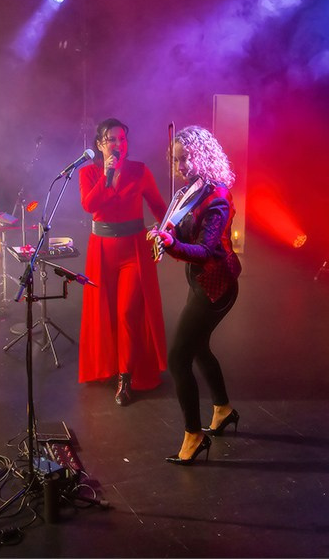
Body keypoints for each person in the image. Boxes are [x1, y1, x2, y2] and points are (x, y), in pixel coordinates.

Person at [147, 125, 242, 465]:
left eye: (184, 159)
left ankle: (193, 435)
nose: (179, 167)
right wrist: (163, 231)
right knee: (198, 347)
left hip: (216, 285)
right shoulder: (193, 190)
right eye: (174, 160)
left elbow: (205, 250)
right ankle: (223, 409)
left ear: (201, 156)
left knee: (178, 358)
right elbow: (177, 224)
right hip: (200, 281)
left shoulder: (216, 198)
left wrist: (171, 245)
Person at [78, 118, 168, 406]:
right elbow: (90, 206)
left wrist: (166, 229)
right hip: (101, 249)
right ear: (100, 144)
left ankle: (126, 377)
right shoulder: (88, 173)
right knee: (103, 312)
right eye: (112, 140)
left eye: (122, 139)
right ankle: (106, 367)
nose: (119, 145)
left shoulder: (139, 171)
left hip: (133, 249)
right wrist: (107, 176)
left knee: (128, 311)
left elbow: (158, 206)